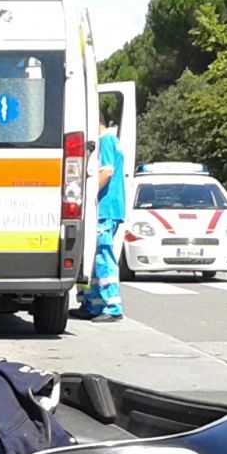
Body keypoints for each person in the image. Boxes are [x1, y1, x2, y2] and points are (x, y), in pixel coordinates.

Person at [78, 104, 126, 321]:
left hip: (105, 208)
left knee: (103, 255)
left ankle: (112, 306)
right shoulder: (113, 141)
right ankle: (93, 304)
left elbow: (106, 171)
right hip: (109, 207)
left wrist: (85, 195)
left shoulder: (105, 140)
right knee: (94, 256)